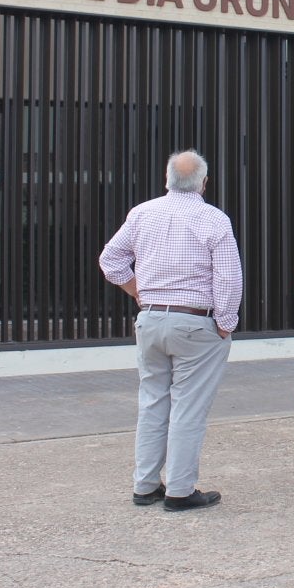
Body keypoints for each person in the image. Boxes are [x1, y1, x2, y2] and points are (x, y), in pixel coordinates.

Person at [99, 150, 243, 511]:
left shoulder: (141, 213)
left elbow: (110, 260)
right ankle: (180, 490)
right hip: (196, 322)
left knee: (152, 403)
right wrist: (226, 323)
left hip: (151, 320)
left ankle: (145, 486)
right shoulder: (214, 219)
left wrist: (138, 292)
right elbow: (228, 277)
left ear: (167, 180)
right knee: (188, 408)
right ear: (204, 183)